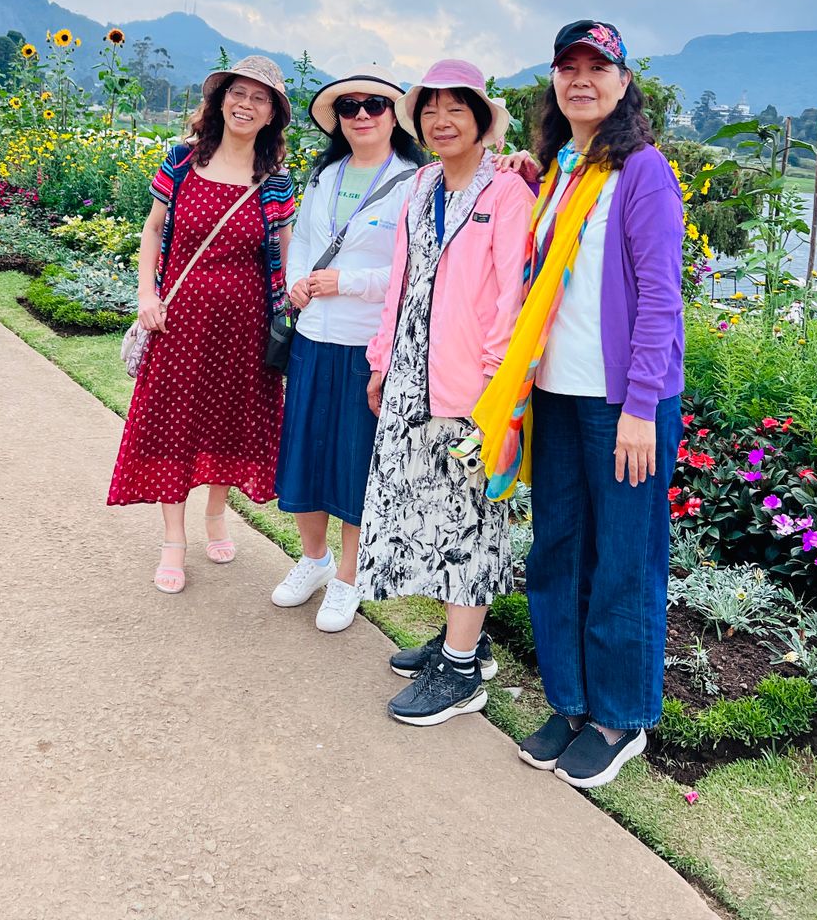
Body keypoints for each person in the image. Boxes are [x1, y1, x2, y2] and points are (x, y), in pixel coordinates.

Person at [476, 21, 684, 789]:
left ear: (624, 84)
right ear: (555, 83)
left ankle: (619, 719)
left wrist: (640, 407)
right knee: (557, 551)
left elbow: (661, 296)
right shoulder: (563, 171)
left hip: (623, 403)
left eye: (599, 67)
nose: (582, 80)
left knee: (624, 557)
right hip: (556, 397)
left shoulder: (642, 172)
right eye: (569, 68)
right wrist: (527, 172)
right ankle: (569, 703)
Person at [356, 59, 534, 726]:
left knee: (469, 521)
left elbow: (512, 299)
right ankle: (468, 643)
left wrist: (494, 388)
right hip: (410, 375)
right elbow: (402, 281)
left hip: (472, 387)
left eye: (457, 108)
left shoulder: (507, 193)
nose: (441, 120)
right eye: (431, 108)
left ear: (482, 121)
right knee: (428, 512)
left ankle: (460, 673)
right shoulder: (423, 184)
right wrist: (381, 360)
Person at [107, 55, 297, 594]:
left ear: (272, 115)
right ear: (219, 101)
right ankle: (174, 539)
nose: (246, 104)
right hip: (179, 321)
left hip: (245, 326)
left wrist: (287, 317)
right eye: (237, 92)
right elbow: (152, 230)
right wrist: (147, 294)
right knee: (175, 421)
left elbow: (285, 257)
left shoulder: (276, 181)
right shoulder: (182, 160)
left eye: (259, 98)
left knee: (228, 420)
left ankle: (216, 513)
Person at [271, 67, 425, 632]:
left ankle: (348, 577)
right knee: (305, 452)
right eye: (349, 107)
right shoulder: (324, 176)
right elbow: (303, 241)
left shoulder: (414, 182)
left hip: (367, 345)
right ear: (337, 120)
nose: (362, 115)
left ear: (395, 117)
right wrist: (295, 280)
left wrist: (347, 282)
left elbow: (412, 269)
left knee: (355, 460)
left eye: (375, 105)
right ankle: (314, 559)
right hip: (313, 336)